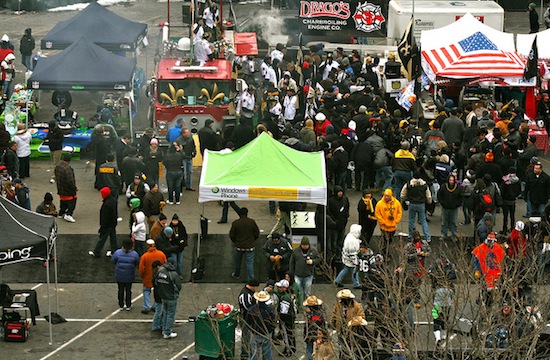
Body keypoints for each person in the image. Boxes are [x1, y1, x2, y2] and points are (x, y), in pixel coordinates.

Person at [429, 255, 457, 349]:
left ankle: (441, 335)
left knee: (440, 317)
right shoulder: (435, 266)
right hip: (441, 300)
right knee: (440, 317)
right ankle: (440, 336)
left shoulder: (449, 266)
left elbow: (453, 276)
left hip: (440, 299)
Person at [472, 232, 505, 306]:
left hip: (494, 271)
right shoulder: (481, 248)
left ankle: (491, 300)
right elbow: (476, 261)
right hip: (484, 272)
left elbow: (500, 257)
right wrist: (477, 270)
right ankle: (483, 301)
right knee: (485, 288)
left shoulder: (496, 247)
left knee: (495, 287)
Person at [330, 289, 365, 356]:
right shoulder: (338, 305)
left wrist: (355, 322)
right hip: (341, 329)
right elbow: (334, 315)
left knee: (351, 347)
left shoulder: (357, 306)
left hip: (352, 330)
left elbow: (362, 317)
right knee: (342, 347)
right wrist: (333, 325)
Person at [401, 170, 432, 241]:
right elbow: (429, 196)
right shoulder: (424, 185)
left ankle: (410, 235)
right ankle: (427, 237)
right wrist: (429, 202)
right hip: (421, 204)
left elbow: (402, 194)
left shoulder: (409, 184)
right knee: (423, 220)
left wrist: (402, 201)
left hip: (412, 204)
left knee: (411, 220)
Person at [154, 258, 182, 339]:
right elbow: (178, 286)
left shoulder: (160, 271)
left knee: (165, 312)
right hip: (171, 297)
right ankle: (167, 332)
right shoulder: (174, 274)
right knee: (170, 315)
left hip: (162, 296)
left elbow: (156, 282)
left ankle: (164, 328)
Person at [230, 207, 260, 281]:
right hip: (250, 246)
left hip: (239, 246)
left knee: (238, 261)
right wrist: (253, 240)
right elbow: (256, 233)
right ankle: (250, 278)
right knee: (249, 263)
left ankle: (237, 274)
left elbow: (232, 235)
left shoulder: (235, 223)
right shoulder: (252, 222)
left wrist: (235, 242)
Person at [246, 291, 276, 360]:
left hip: (255, 333)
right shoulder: (269, 310)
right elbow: (273, 323)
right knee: (267, 352)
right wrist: (270, 330)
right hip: (266, 333)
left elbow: (247, 322)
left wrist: (252, 330)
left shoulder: (252, 309)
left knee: (254, 353)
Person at [139, 239, 166, 315]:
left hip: (147, 277)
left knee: (146, 291)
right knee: (157, 292)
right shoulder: (161, 254)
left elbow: (141, 268)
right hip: (159, 277)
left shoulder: (145, 256)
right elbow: (165, 264)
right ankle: (155, 306)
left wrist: (142, 276)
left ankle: (147, 306)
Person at [89, 187, 119, 257]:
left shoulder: (106, 204)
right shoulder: (113, 201)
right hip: (112, 223)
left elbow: (105, 217)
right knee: (113, 238)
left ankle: (96, 252)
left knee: (102, 238)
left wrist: (102, 226)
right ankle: (114, 251)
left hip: (107, 225)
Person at [111, 239, 139, 311]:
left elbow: (113, 261)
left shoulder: (117, 253)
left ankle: (121, 305)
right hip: (129, 275)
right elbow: (137, 262)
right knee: (128, 290)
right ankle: (128, 305)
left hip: (119, 275)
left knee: (120, 290)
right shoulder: (135, 254)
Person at [375, 189, 403, 258]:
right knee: (384, 240)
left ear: (391, 196)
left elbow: (399, 212)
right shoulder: (379, 204)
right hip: (384, 227)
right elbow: (377, 214)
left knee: (389, 240)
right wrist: (383, 222)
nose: (386, 197)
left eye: (388, 196)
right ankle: (384, 252)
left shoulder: (396, 203)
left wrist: (396, 221)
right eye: (385, 196)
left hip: (393, 226)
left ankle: (385, 251)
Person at [238, 277, 260, 360]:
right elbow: (247, 308)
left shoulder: (248, 293)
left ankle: (248, 353)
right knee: (246, 338)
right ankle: (245, 355)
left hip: (248, 319)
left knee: (248, 338)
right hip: (246, 320)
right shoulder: (245, 295)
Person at [334, 224, 362, 289]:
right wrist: (356, 262)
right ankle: (356, 284)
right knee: (354, 272)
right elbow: (352, 252)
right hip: (351, 259)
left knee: (345, 270)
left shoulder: (349, 236)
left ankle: (338, 281)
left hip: (346, 258)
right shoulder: (352, 240)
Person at [275, 279, 297, 356]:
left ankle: (288, 351)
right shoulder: (291, 294)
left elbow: (284, 311)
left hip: (286, 320)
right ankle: (293, 348)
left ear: (285, 288)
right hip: (291, 317)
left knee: (286, 335)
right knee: (291, 334)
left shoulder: (285, 298)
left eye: (280, 287)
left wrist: (280, 319)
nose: (278, 288)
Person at [437, 174, 463, 239]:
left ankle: (454, 234)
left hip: (454, 208)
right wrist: (442, 203)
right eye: (450, 180)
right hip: (445, 208)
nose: (451, 182)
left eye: (452, 180)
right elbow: (439, 195)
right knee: (444, 222)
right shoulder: (443, 187)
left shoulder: (458, 188)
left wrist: (457, 204)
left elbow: (461, 197)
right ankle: (443, 234)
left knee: (453, 222)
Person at [327, 186, 350, 256]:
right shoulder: (331, 201)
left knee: (341, 239)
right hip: (335, 224)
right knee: (334, 240)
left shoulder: (345, 199)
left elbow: (347, 208)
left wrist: (346, 217)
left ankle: (339, 253)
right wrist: (333, 221)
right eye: (339, 192)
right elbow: (329, 211)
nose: (340, 193)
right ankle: (334, 253)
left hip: (342, 223)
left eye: (341, 192)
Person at [54, 153, 77, 222]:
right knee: (73, 201)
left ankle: (61, 213)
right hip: (68, 190)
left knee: (63, 201)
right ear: (69, 161)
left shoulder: (58, 166)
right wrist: (74, 188)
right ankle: (68, 214)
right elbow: (70, 181)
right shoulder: (68, 169)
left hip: (60, 188)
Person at [303, 295, 326, 360]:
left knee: (311, 352)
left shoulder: (313, 314)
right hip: (316, 335)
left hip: (314, 335)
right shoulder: (319, 313)